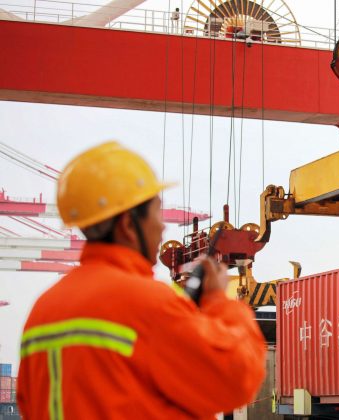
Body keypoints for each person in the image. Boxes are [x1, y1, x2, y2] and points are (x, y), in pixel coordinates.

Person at [17, 141, 266, 419]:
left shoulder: (42, 312)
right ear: (127, 224)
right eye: (156, 213)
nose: (162, 227)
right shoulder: (147, 304)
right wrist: (218, 300)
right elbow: (236, 380)